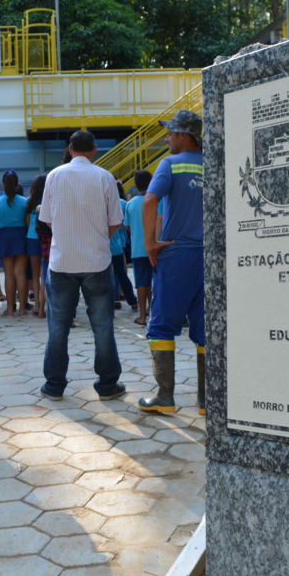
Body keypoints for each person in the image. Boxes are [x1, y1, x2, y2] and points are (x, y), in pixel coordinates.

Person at [38, 130, 124, 401]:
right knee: (102, 325)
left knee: (58, 326)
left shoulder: (54, 176)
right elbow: (115, 222)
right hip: (96, 262)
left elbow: (48, 220)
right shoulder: (104, 177)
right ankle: (108, 385)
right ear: (94, 149)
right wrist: (96, 240)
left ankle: (54, 385)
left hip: (62, 261)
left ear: (71, 148)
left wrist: (68, 236)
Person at [139, 109, 205, 415]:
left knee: (162, 325)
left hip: (176, 254)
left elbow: (150, 200)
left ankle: (165, 397)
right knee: (206, 328)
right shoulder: (214, 164)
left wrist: (150, 242)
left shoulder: (170, 164)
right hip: (210, 255)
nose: (167, 138)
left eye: (170, 133)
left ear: (182, 135)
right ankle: (207, 401)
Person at [0, 170, 29, 316]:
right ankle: (22, 309)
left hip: (5, 236)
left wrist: (0, 238)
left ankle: (10, 309)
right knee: (21, 273)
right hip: (21, 236)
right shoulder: (24, 202)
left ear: (2, 185)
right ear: (17, 184)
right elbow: (27, 223)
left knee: (9, 274)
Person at [124, 170, 153, 326]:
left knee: (142, 282)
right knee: (155, 282)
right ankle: (153, 312)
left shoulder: (131, 203)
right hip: (155, 246)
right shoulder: (157, 200)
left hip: (137, 248)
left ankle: (142, 315)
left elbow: (127, 226)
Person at [110, 181, 137, 312]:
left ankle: (113, 299)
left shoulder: (101, 203)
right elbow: (126, 223)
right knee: (121, 274)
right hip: (118, 244)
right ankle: (132, 300)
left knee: (107, 275)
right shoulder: (122, 203)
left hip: (103, 246)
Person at [26, 175, 47, 318]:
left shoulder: (29, 202)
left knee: (35, 274)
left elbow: (28, 222)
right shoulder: (49, 200)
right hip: (46, 238)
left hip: (32, 238)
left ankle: (36, 305)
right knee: (45, 273)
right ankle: (43, 308)